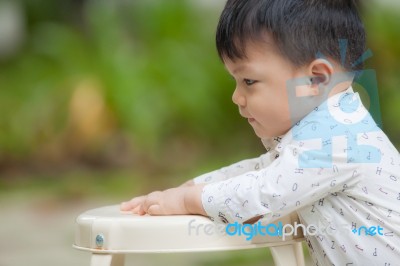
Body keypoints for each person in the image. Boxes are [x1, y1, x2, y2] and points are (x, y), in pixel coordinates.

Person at [121, 0, 400, 264]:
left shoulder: (338, 139)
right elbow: (262, 171)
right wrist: (192, 185)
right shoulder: (324, 131)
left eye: (249, 81)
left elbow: (263, 194)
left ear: (316, 78)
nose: (236, 97)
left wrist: (187, 200)